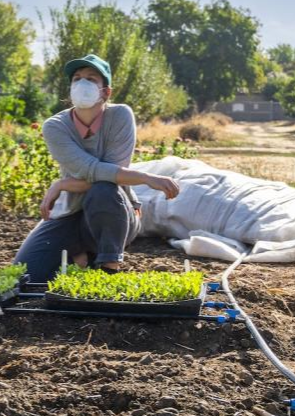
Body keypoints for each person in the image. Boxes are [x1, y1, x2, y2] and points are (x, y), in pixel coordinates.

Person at [13, 54, 181, 282]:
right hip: (71, 213)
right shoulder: (55, 126)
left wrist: (63, 184)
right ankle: (81, 257)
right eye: (77, 78)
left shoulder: (120, 115)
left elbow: (110, 176)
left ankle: (109, 269)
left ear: (106, 92)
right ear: (70, 88)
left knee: (103, 189)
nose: (82, 83)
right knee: (27, 274)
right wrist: (144, 177)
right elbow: (91, 169)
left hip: (114, 212)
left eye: (91, 79)